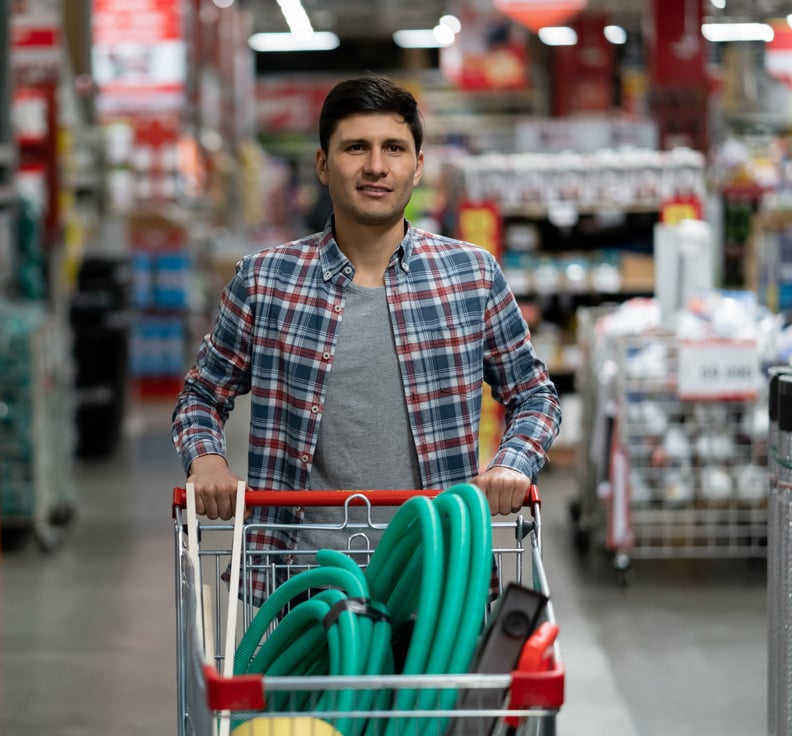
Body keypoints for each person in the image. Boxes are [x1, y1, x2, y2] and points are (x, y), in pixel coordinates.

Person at [172, 74, 560, 564]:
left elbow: (534, 395)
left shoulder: (471, 276)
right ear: (322, 164)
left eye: (393, 149)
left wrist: (513, 464)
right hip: (300, 579)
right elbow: (201, 394)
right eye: (356, 148)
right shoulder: (265, 282)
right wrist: (207, 460)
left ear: (418, 168)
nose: (376, 167)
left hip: (438, 570)